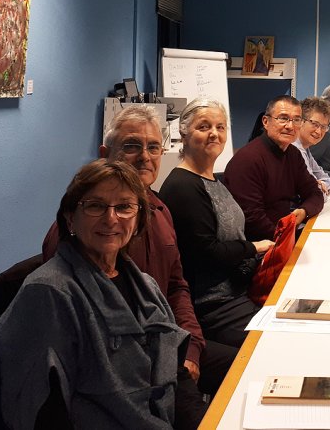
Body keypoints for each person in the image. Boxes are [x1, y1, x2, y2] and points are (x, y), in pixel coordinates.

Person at [41, 105, 229, 424]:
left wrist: (192, 347)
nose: (145, 156)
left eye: (153, 147)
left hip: (168, 341)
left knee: (248, 370)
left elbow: (176, 287)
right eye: (131, 146)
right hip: (126, 369)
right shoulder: (87, 230)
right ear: (105, 153)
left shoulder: (160, 210)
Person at [0, 160, 188, 429]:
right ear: (70, 217)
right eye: (96, 206)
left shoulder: (145, 286)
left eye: (124, 207)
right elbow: (43, 412)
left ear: (138, 220)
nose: (111, 219)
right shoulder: (49, 293)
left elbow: (174, 372)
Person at [159, 98, 274, 349]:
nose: (214, 134)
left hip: (237, 293)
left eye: (220, 127)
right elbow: (207, 253)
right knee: (274, 344)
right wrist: (255, 248)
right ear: (184, 132)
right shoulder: (183, 187)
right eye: (204, 127)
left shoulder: (211, 180)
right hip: (214, 306)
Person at [224, 95, 325, 240]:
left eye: (296, 120)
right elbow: (252, 219)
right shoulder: (248, 160)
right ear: (266, 122)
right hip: (261, 245)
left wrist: (303, 211)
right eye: (283, 118)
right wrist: (287, 239)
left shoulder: (293, 154)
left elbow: (314, 193)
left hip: (284, 234)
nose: (290, 126)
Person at [293, 97, 330, 201]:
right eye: (315, 124)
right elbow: (314, 196)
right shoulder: (295, 149)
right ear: (301, 121)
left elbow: (327, 180)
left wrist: (321, 184)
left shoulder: (305, 148)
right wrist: (319, 187)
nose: (319, 132)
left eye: (324, 127)